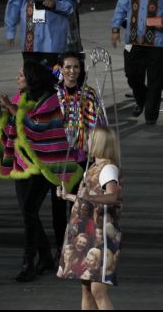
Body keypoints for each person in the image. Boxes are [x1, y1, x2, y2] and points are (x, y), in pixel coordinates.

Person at [0, 61, 82, 282]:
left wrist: (11, 109)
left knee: (41, 211)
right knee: (28, 212)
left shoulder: (50, 99)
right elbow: (8, 126)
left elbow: (38, 126)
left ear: (33, 78)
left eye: (22, 74)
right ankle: (43, 256)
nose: (17, 77)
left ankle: (32, 261)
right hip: (23, 164)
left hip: (46, 164)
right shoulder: (20, 97)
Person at [56, 127, 123, 310]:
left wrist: (90, 197)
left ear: (100, 142)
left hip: (101, 234)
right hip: (87, 231)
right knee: (86, 289)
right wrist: (68, 196)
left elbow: (113, 196)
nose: (87, 142)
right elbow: (87, 199)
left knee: (98, 291)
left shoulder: (108, 169)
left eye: (91, 139)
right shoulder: (92, 168)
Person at [111, 0, 163, 124]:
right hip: (134, 39)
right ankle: (144, 99)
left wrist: (156, 21)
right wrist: (115, 28)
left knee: (156, 80)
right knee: (132, 75)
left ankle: (150, 117)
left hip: (157, 41)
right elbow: (121, 6)